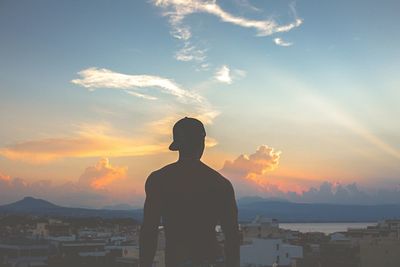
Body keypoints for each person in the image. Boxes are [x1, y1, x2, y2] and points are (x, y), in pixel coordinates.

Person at [139, 117, 240, 267]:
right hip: (211, 259)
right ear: (201, 143)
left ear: (178, 145)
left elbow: (149, 231)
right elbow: (232, 236)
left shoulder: (159, 180)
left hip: (177, 259)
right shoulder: (220, 184)